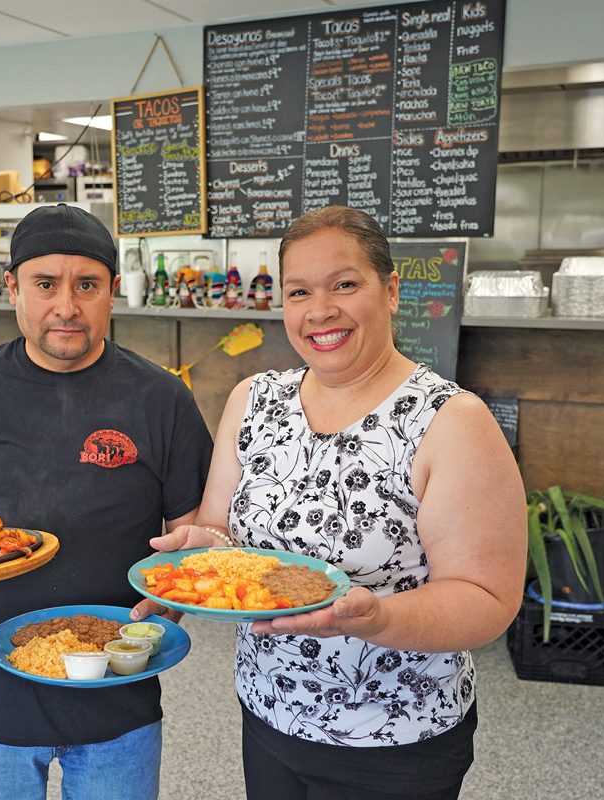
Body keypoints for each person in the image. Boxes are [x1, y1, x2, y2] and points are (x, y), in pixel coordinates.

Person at [133, 205, 526, 799]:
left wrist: (380, 619)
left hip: (397, 735)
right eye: (299, 292)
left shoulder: (452, 421)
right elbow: (221, 530)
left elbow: (488, 599)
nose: (320, 311)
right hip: (268, 709)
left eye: (345, 284)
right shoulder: (254, 400)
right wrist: (200, 554)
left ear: (390, 290)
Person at [0, 204, 213, 800]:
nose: (67, 306)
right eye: (45, 284)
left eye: (87, 284)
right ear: (12, 288)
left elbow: (190, 531)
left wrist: (177, 595)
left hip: (118, 683)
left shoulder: (163, 400)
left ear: (113, 290)